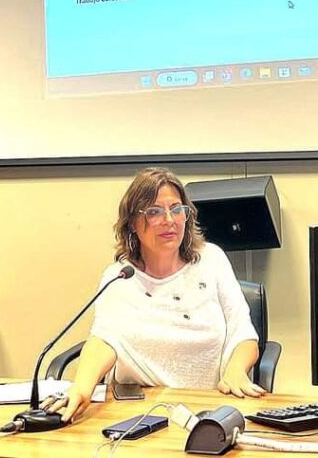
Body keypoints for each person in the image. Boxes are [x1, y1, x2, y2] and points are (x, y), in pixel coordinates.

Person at [52, 167, 263, 423]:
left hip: (206, 408)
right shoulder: (120, 276)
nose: (169, 220)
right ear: (132, 223)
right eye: (154, 212)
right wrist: (82, 387)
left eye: (176, 209)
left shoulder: (212, 260)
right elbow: (103, 339)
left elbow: (243, 334)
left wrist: (236, 372)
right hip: (139, 412)